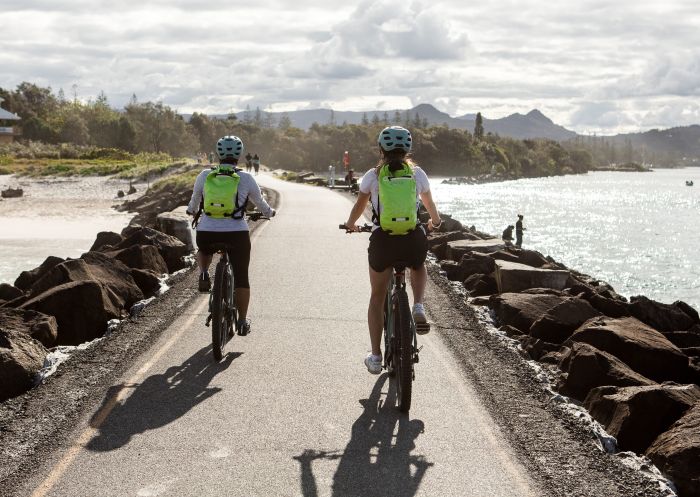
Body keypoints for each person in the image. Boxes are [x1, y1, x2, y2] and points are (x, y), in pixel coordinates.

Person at [344, 126, 442, 374]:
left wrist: (351, 224)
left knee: (377, 298)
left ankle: (376, 357)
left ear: (381, 149)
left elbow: (359, 205)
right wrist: (436, 222)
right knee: (418, 265)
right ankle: (418, 305)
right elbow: (429, 205)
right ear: (407, 149)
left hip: (383, 240)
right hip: (411, 238)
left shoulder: (372, 175)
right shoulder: (417, 173)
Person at [187, 135, 275, 335]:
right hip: (236, 234)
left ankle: (203, 272)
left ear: (218, 154)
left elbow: (193, 203)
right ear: (239, 155)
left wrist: (191, 211)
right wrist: (270, 213)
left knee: (204, 248)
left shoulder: (204, 176)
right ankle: (242, 321)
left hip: (207, 232)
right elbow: (261, 203)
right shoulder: (245, 178)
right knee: (242, 277)